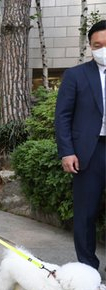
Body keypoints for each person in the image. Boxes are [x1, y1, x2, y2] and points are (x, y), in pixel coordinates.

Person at [55, 20, 106, 272]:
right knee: (85, 213)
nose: (102, 49)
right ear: (90, 46)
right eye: (97, 45)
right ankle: (87, 267)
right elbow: (62, 116)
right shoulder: (76, 75)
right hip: (89, 152)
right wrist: (67, 151)